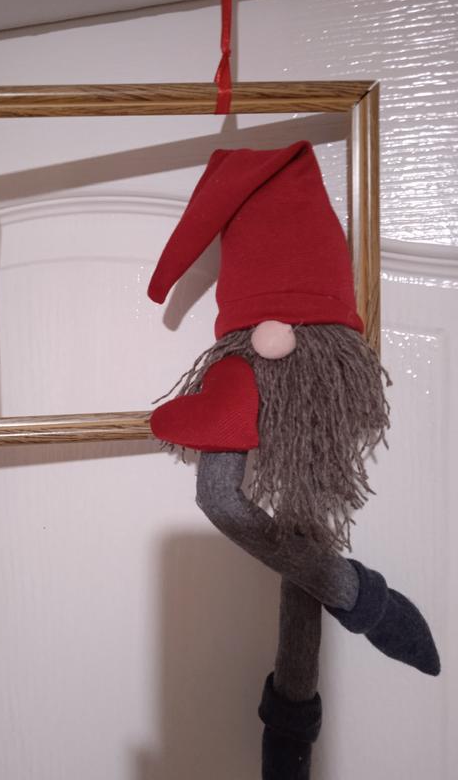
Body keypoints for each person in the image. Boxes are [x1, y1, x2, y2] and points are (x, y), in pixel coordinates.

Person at [147, 142, 440, 780]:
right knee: (221, 497)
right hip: (245, 341)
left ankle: (289, 729)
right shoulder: (239, 195)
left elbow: (187, 242)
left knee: (308, 518)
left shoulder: (285, 185)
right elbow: (217, 501)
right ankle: (362, 598)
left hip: (318, 344)